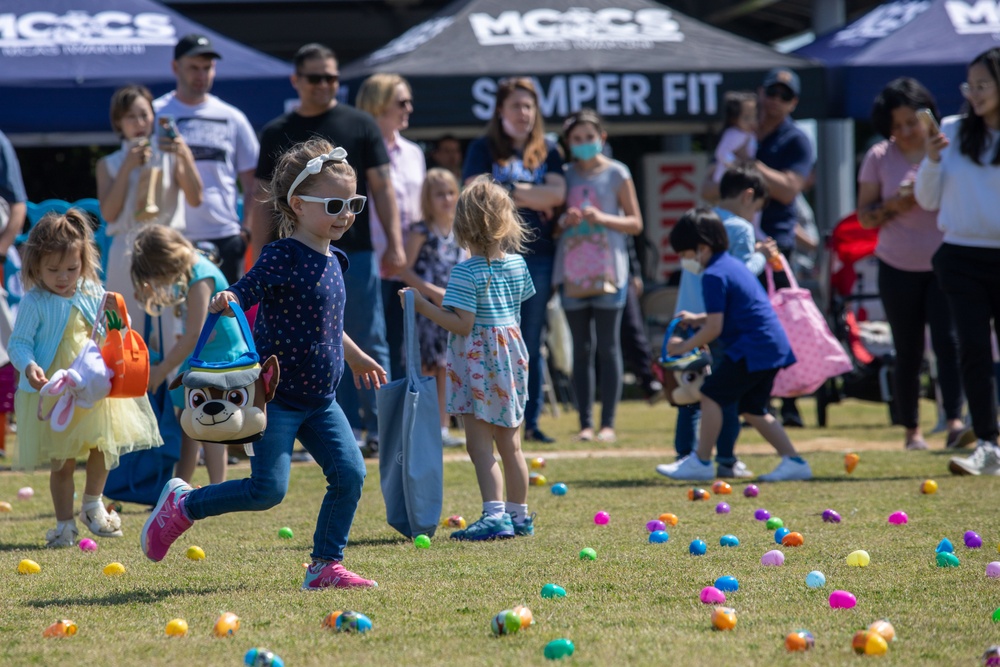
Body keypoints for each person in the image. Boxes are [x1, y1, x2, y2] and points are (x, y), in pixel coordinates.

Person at [141, 139, 387, 589]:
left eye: (353, 203)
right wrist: (228, 297)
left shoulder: (337, 259)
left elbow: (328, 326)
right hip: (276, 400)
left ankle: (324, 566)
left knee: (351, 474)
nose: (346, 214)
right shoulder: (281, 256)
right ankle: (183, 506)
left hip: (322, 400)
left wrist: (356, 356)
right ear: (297, 204)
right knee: (267, 491)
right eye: (335, 204)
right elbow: (245, 289)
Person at [250, 43, 402, 458]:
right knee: (301, 337)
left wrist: (395, 243)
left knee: (366, 337)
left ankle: (380, 430)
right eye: (316, 77)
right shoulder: (276, 130)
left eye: (332, 78)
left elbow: (383, 188)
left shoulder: (361, 124)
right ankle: (331, 430)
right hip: (294, 256)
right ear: (296, 80)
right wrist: (258, 250)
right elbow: (259, 196)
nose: (325, 85)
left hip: (357, 254)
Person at [9, 210, 162, 546]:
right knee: (61, 462)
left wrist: (117, 318)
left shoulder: (92, 291)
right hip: (55, 389)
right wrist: (29, 365)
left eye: (71, 269)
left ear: (84, 262)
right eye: (53, 270)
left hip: (92, 384)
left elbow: (114, 332)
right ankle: (64, 524)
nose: (63, 277)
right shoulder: (35, 301)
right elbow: (19, 343)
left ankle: (93, 504)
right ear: (35, 265)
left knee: (103, 446)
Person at [399, 176, 536, 539]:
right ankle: (520, 516)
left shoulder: (464, 271)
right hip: (512, 360)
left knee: (480, 445)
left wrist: (422, 305)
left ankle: (495, 515)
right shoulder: (519, 266)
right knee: (512, 445)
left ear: (462, 225)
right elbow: (515, 307)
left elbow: (462, 325)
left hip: (478, 364)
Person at [657, 207, 811, 482]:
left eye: (684, 254)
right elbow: (727, 314)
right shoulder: (731, 265)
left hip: (753, 347)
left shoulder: (713, 275)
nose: (684, 261)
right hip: (770, 345)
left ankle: (701, 462)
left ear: (702, 247)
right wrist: (697, 318)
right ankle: (795, 461)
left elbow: (715, 328)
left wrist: (683, 347)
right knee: (753, 410)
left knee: (712, 394)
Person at [858, 77, 967, 452]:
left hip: (945, 263)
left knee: (948, 345)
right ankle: (912, 431)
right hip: (896, 265)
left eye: (911, 122)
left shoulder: (947, 151)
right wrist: (894, 205)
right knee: (907, 350)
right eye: (896, 125)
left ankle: (954, 421)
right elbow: (864, 217)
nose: (905, 131)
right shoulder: (878, 157)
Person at [463, 77, 565, 444]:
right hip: (491, 257)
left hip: (537, 258)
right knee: (492, 338)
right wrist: (531, 195)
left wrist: (506, 190)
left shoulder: (549, 150)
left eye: (529, 106)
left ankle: (528, 419)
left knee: (528, 341)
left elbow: (557, 194)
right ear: (500, 111)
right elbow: (475, 189)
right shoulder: (482, 146)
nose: (523, 113)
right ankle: (491, 416)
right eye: (515, 106)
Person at [659, 168, 775, 479]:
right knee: (723, 393)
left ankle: (686, 454)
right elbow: (740, 276)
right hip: (719, 321)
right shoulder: (740, 228)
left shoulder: (697, 221)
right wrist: (762, 255)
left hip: (689, 316)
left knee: (689, 390)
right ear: (749, 196)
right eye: (758, 207)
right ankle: (725, 458)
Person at [916, 47, 1000, 476]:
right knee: (972, 351)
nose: (975, 94)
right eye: (971, 86)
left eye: (984, 84)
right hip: (961, 255)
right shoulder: (951, 131)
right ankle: (987, 443)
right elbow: (927, 200)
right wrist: (931, 158)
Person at [130, 226, 246, 484]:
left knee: (210, 426)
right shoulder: (194, 269)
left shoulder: (201, 276)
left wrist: (162, 371)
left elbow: (195, 333)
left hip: (219, 360)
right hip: (202, 357)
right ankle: (179, 486)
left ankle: (218, 488)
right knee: (188, 424)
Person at [553, 109, 642, 443]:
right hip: (573, 271)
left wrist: (602, 218)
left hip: (610, 270)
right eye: (577, 139)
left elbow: (635, 223)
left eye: (590, 137)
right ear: (568, 143)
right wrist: (565, 222)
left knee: (608, 347)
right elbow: (554, 226)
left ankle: (608, 423)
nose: (584, 144)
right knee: (580, 349)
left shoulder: (618, 173)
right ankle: (585, 423)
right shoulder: (563, 175)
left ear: (602, 138)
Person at [97, 84, 203, 337]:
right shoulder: (108, 163)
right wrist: (127, 167)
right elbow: (109, 214)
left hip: (167, 246)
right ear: (119, 122)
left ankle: (170, 376)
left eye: (144, 114)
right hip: (126, 247)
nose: (139, 122)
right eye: (131, 116)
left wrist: (184, 155)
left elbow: (196, 198)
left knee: (170, 329)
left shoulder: (171, 153)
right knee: (120, 328)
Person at [154, 34, 259, 285]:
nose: (201, 75)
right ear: (175, 67)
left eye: (208, 68)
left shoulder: (232, 117)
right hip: (171, 233)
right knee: (174, 319)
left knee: (225, 316)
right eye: (194, 67)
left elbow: (254, 179)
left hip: (224, 234)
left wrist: (247, 229)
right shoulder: (154, 113)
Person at [754, 67, 815, 428]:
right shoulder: (742, 132)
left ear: (793, 103)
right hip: (742, 245)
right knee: (753, 324)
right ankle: (760, 400)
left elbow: (790, 188)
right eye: (770, 92)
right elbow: (711, 186)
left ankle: (791, 402)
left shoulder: (796, 139)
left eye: (783, 95)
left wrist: (749, 166)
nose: (774, 100)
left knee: (785, 324)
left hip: (778, 246)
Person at [356, 73, 426, 383]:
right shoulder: (356, 149)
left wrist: (408, 254)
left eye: (410, 100)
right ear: (379, 104)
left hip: (410, 264)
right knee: (370, 341)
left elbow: (420, 210)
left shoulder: (414, 152)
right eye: (402, 101)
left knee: (405, 344)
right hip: (369, 261)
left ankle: (403, 420)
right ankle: (371, 419)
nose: (409, 107)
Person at [398, 168, 466, 447]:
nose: (447, 199)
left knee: (447, 367)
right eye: (439, 194)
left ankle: (442, 427)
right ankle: (422, 425)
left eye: (451, 192)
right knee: (425, 366)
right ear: (428, 198)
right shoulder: (421, 230)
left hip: (453, 308)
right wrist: (431, 292)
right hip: (425, 309)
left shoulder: (461, 230)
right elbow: (405, 269)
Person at [713, 92, 758, 184]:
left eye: (754, 116)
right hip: (725, 179)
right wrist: (737, 164)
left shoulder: (751, 134)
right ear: (734, 118)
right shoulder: (733, 134)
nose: (751, 121)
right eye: (746, 118)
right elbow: (721, 153)